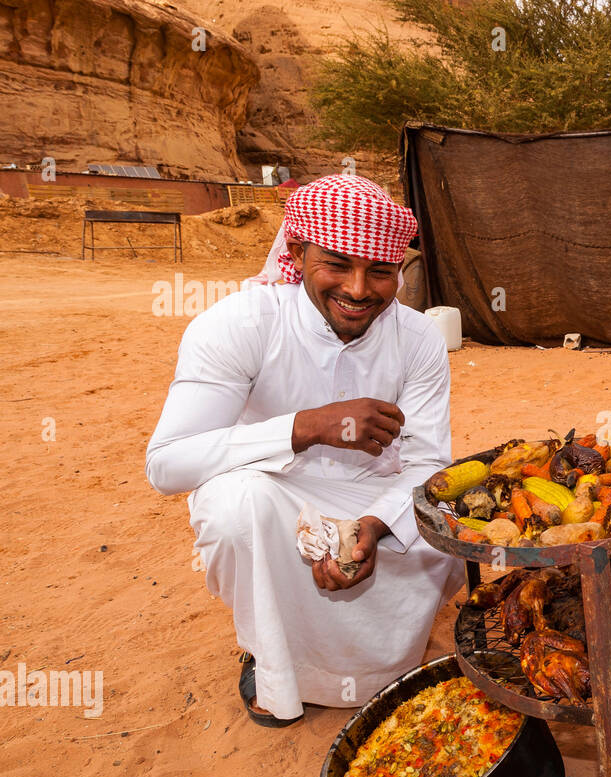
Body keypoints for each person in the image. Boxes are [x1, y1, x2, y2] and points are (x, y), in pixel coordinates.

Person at [146, 174, 464, 727]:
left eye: (381, 271)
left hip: (378, 494)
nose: (360, 289)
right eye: (337, 264)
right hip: (277, 492)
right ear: (297, 251)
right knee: (231, 509)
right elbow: (168, 464)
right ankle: (274, 662)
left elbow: (427, 463)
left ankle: (384, 665)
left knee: (444, 530)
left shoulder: (418, 339)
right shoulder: (239, 324)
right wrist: (305, 427)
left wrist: (377, 524)